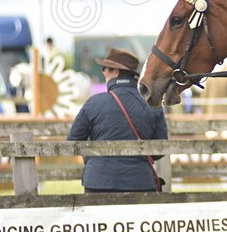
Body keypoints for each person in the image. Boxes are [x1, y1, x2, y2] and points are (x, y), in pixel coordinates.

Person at [67, 47, 168, 193]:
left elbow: (73, 142)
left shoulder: (93, 103)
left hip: (98, 182)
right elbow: (160, 148)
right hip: (141, 182)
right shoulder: (153, 104)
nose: (103, 72)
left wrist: (95, 158)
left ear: (115, 72)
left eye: (104, 68)